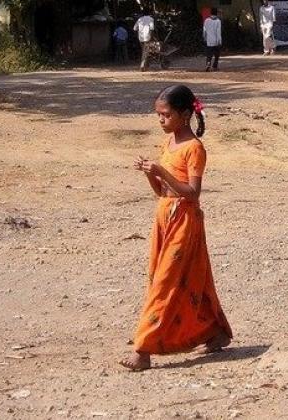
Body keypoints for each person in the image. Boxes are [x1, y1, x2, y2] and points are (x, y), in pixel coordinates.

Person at [120, 85, 233, 371]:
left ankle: (143, 349)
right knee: (187, 278)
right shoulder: (169, 143)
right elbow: (162, 191)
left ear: (184, 115)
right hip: (165, 217)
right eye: (158, 115)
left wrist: (161, 170)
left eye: (166, 115)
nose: (161, 120)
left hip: (185, 220)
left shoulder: (195, 149)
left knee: (165, 283)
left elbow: (192, 192)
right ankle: (212, 331)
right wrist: (151, 174)